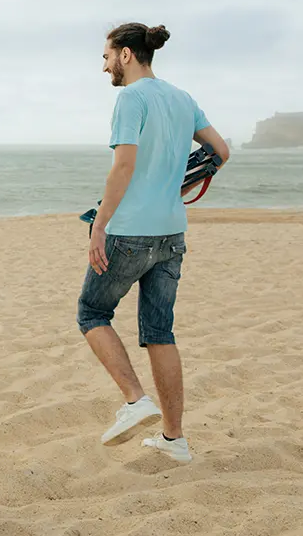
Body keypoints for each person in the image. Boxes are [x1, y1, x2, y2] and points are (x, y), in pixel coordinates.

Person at [76, 23, 230, 464]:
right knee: (160, 332)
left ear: (126, 55)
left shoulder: (130, 98)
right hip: (171, 232)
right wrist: (174, 187)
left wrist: (100, 225)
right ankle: (174, 439)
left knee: (91, 312)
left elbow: (123, 166)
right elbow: (220, 150)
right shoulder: (182, 98)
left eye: (107, 56)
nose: (104, 65)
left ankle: (135, 400)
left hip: (129, 232)